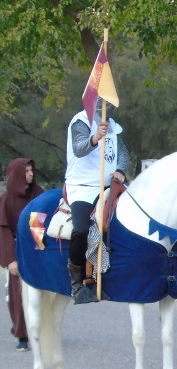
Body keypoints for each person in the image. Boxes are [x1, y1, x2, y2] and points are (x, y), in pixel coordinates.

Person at [65, 98, 129, 304]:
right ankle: (77, 283)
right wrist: (95, 138)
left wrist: (120, 170)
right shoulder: (80, 121)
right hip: (83, 187)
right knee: (82, 230)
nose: (108, 108)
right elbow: (79, 148)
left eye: (110, 103)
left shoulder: (112, 126)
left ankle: (106, 278)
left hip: (108, 186)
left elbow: (123, 154)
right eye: (104, 103)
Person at [0, 158, 44, 351]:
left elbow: (39, 224)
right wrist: (10, 260)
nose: (31, 174)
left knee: (41, 294)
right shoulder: (7, 199)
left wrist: (40, 249)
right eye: (26, 171)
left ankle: (39, 330)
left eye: (31, 170)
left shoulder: (38, 194)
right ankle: (22, 335)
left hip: (35, 249)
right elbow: (3, 231)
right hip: (16, 251)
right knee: (18, 296)